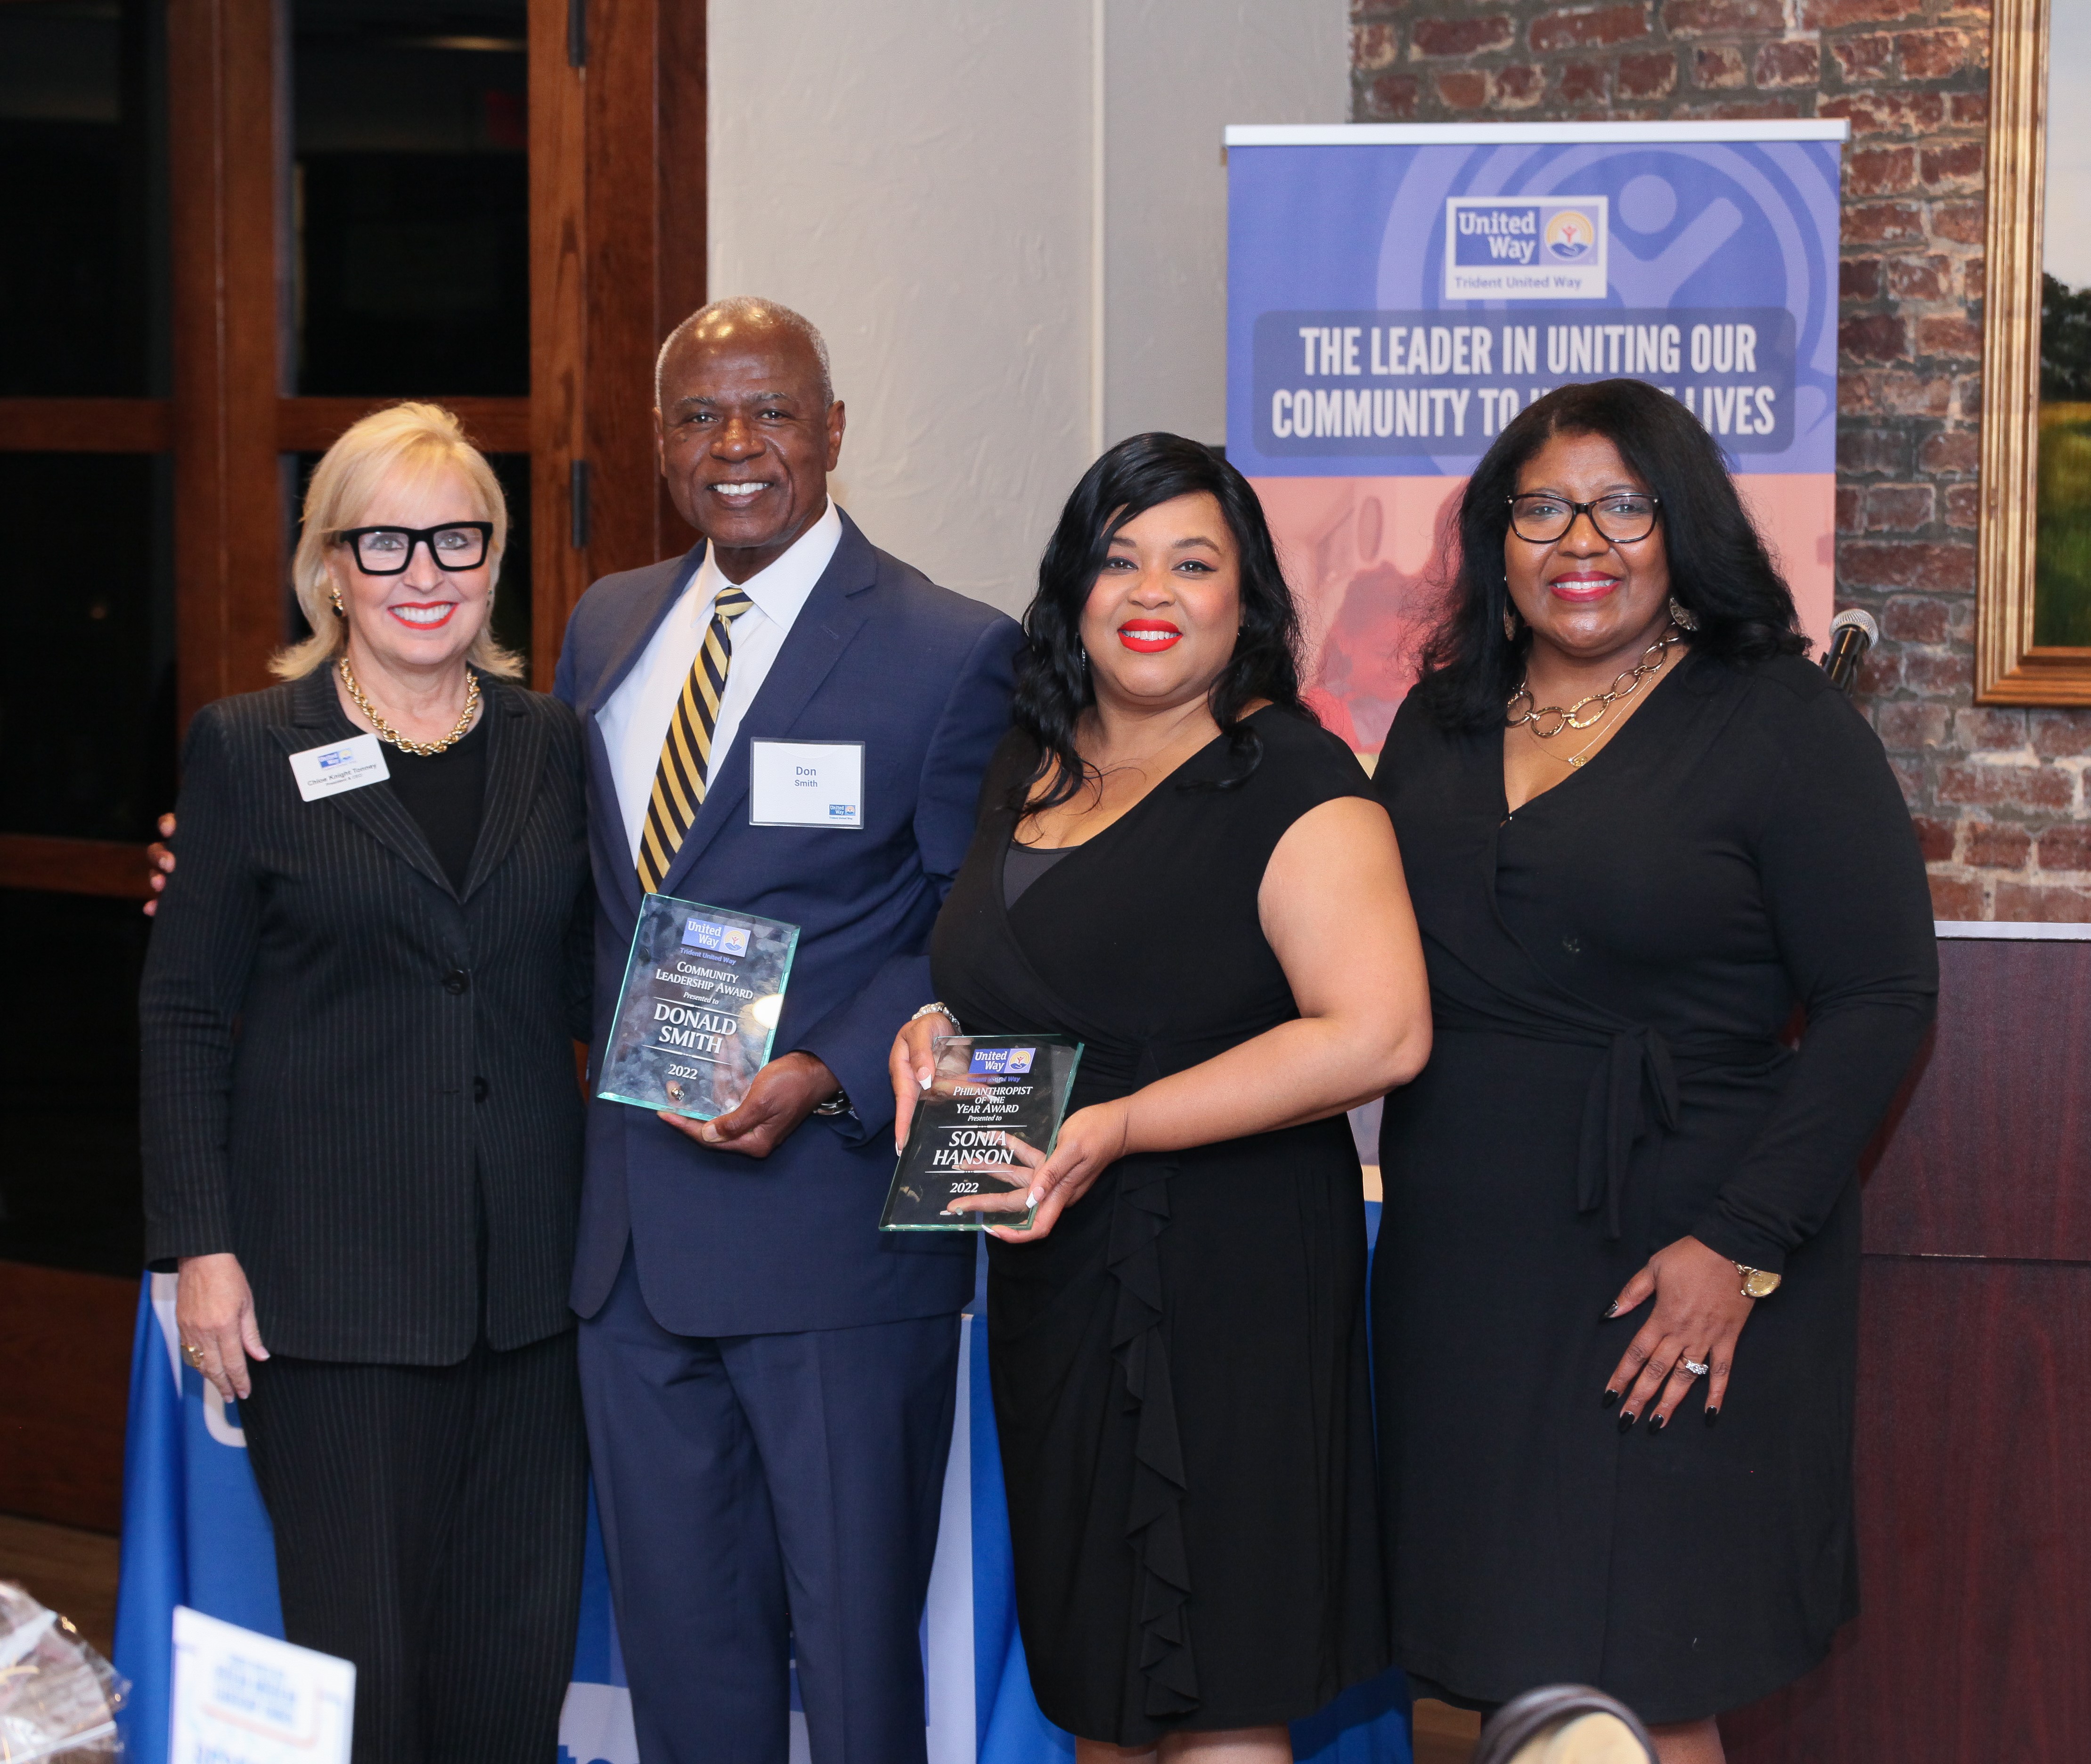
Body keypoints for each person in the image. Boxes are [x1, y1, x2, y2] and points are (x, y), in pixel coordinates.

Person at [1368, 380, 1938, 1762]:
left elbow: (1880, 999)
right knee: (1501, 1672)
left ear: (1684, 531)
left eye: (1626, 506)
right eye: (1545, 506)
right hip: (1468, 1276)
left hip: (1676, 1263)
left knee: (1643, 1679)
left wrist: (1739, 1247)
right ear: (1495, 539)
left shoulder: (1777, 723)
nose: (1585, 539)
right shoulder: (1436, 725)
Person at [889, 433, 1433, 1761]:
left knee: (1218, 1682)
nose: (1153, 590)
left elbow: (1382, 1035)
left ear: (1245, 599)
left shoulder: (1299, 783)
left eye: (1195, 563)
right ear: (1075, 585)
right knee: (1102, 1683)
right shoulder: (1034, 761)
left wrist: (1125, 1124)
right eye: (1121, 557)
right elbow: (1020, 978)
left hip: (1230, 1284)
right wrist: (930, 1025)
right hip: (1058, 1277)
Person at [553, 297, 1020, 1764]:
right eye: (701, 415)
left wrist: (825, 1064)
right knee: (685, 1663)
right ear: (660, 444)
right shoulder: (610, 623)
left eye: (770, 413)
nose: (737, 444)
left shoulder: (952, 650)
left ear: (832, 433)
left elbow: (981, 929)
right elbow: (564, 880)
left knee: (861, 1663)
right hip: (631, 1240)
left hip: (830, 1236)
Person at [139, 403, 593, 1764]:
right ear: (327, 565)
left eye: (456, 538)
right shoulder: (246, 748)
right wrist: (198, 1248)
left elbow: (586, 985)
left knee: (511, 1674)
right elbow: (182, 1011)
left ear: (495, 559)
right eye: (383, 540)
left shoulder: (550, 747)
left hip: (530, 1295)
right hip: (330, 1302)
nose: (423, 572)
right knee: (366, 1686)